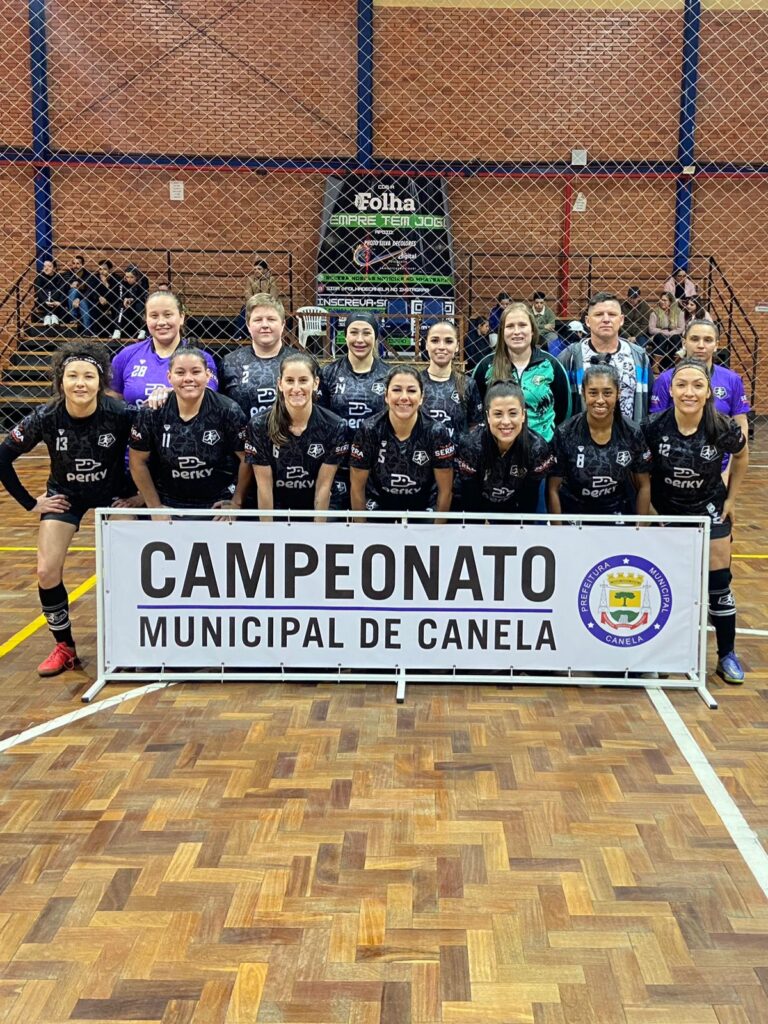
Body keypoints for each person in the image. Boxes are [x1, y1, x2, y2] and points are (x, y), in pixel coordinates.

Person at [0, 342, 140, 676]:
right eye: (72, 375)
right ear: (60, 381)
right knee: (47, 570)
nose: (80, 383)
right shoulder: (46, 416)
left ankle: (131, 641)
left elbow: (150, 453)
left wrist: (138, 497)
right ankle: (65, 647)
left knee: (128, 569)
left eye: (89, 376)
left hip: (114, 493)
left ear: (101, 381)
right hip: (66, 495)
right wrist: (32, 503)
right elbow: (2, 457)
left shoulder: (121, 414)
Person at [642, 358, 749, 685]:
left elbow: (742, 456)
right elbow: (639, 471)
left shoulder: (722, 426)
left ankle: (726, 655)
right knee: (664, 584)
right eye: (682, 385)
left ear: (708, 392)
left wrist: (730, 500)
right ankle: (662, 652)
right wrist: (647, 509)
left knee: (719, 585)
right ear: (671, 390)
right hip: (665, 512)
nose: (689, 392)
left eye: (697, 385)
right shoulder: (653, 427)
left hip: (708, 509)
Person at [129, 348, 249, 512]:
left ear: (207, 376)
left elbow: (247, 459)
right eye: (180, 372)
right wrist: (155, 507)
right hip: (167, 501)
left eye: (196, 371)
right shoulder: (151, 412)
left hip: (218, 501)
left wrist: (236, 503)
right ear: (169, 377)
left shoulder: (228, 410)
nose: (188, 378)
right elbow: (137, 461)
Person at [245, 352, 349, 514]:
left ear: (315, 383)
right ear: (280, 384)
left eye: (303, 380)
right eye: (289, 381)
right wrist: (267, 534)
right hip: (277, 503)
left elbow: (323, 487)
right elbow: (264, 487)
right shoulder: (259, 425)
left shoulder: (335, 425)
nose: (296, 388)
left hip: (317, 504)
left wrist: (317, 534)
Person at [548, 359, 651, 517]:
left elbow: (643, 485)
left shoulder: (632, 432)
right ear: (583, 393)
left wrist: (640, 528)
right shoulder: (565, 433)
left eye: (607, 393)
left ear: (618, 393)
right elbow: (553, 488)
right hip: (574, 515)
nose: (600, 400)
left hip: (617, 515)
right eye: (593, 393)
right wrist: (558, 530)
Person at [350, 366, 454, 516]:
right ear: (386, 395)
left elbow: (445, 491)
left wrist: (436, 533)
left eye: (411, 391)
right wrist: (362, 532)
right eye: (397, 390)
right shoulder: (369, 430)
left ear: (422, 397)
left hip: (423, 509)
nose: (404, 397)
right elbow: (357, 488)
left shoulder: (436, 432)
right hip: (379, 508)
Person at [650, 319, 750, 470]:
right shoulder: (665, 380)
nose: (701, 345)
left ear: (716, 344)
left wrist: (730, 467)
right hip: (672, 470)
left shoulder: (732, 380)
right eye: (695, 339)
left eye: (708, 340)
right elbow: (655, 426)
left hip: (718, 469)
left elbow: (741, 422)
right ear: (684, 342)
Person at [318, 312, 389, 508]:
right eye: (353, 332)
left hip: (375, 468)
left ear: (375, 337)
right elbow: (320, 420)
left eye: (366, 333)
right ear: (345, 335)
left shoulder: (388, 375)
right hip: (336, 467)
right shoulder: (328, 373)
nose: (360, 339)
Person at [473, 302, 570, 442]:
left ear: (532, 330)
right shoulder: (485, 366)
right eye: (510, 326)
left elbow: (563, 411)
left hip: (543, 449)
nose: (516, 331)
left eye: (522, 325)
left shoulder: (551, 365)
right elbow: (477, 413)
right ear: (502, 331)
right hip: (497, 451)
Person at [456, 381, 553, 515]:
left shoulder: (538, 448)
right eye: (498, 414)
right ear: (488, 416)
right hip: (479, 505)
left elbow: (529, 499)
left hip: (517, 505)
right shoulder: (470, 446)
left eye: (513, 413)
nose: (506, 422)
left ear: (523, 415)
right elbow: (470, 497)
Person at [110, 290, 218, 407]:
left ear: (181, 317)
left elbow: (209, 395)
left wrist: (171, 394)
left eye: (167, 315)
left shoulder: (202, 358)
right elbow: (113, 395)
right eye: (154, 316)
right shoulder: (127, 355)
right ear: (146, 319)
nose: (161, 322)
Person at [559, 291, 652, 423]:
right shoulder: (570, 357)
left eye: (612, 314)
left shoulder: (640, 357)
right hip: (582, 439)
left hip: (629, 439)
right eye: (598, 314)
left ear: (621, 320)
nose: (606, 319)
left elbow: (648, 403)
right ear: (587, 321)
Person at [220, 294, 289, 420]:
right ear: (248, 325)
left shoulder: (300, 361)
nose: (265, 325)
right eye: (258, 320)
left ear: (283, 324)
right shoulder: (230, 363)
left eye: (271, 319)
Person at [421, 320, 483, 440]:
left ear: (457, 347)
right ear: (426, 345)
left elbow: (476, 427)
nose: (441, 347)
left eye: (448, 341)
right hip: (420, 457)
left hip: (457, 457)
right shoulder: (415, 383)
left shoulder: (467, 384)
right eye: (435, 340)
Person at [648, 291, 685, 373]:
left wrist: (670, 333)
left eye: (665, 300)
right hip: (659, 335)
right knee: (661, 337)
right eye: (661, 300)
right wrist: (664, 332)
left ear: (671, 302)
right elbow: (651, 329)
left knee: (676, 338)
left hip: (673, 335)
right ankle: (655, 365)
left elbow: (681, 328)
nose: (662, 302)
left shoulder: (679, 313)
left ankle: (677, 365)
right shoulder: (655, 313)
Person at [112, 266, 148, 340]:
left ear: (136, 277)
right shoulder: (123, 282)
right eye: (127, 277)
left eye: (132, 277)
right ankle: (117, 330)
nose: (129, 279)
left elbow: (143, 296)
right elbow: (121, 295)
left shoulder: (143, 281)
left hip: (138, 303)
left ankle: (143, 330)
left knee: (139, 306)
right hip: (126, 305)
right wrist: (124, 299)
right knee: (121, 306)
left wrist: (132, 299)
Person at [65, 254, 94, 333]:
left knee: (83, 302)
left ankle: (87, 332)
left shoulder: (88, 275)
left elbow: (89, 290)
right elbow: (66, 285)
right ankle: (74, 316)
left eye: (78, 263)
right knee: (74, 291)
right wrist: (73, 285)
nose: (75, 266)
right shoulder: (68, 273)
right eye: (73, 263)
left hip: (84, 297)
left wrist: (77, 284)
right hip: (70, 299)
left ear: (82, 264)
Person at [91, 259, 119, 336]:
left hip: (112, 301)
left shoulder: (116, 278)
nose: (102, 271)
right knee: (94, 306)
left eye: (105, 269)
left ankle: (113, 332)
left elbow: (116, 295)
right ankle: (96, 332)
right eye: (100, 269)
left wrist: (105, 283)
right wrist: (99, 297)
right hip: (99, 302)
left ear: (110, 270)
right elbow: (92, 292)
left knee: (116, 307)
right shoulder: (95, 278)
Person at [35, 258, 66, 325]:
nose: (46, 268)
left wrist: (60, 302)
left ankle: (48, 317)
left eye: (49, 266)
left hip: (56, 302)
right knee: (42, 297)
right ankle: (53, 317)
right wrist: (45, 301)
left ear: (54, 269)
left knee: (55, 294)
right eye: (45, 266)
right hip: (43, 302)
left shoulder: (59, 278)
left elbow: (62, 291)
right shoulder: (39, 278)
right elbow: (38, 292)